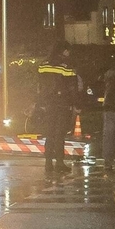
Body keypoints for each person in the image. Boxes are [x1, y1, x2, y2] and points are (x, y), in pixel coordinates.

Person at [37, 40, 80, 175]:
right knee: (60, 134)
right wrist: (76, 104)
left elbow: (39, 86)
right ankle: (60, 163)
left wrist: (39, 102)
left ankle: (48, 163)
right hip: (62, 103)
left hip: (48, 103)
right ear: (63, 51)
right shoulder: (66, 66)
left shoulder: (42, 65)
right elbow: (72, 88)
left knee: (49, 133)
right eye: (67, 50)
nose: (69, 53)